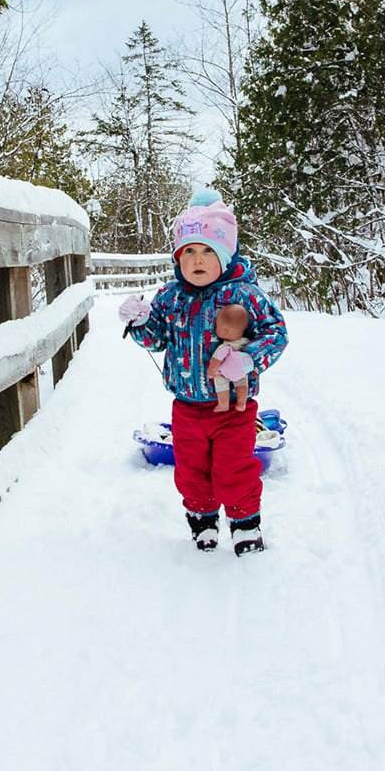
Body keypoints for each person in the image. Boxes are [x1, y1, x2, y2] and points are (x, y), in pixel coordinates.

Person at [118, 190, 288, 556]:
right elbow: (156, 339)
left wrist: (251, 357)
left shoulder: (246, 296)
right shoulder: (169, 297)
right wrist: (139, 322)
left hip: (234, 410)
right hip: (186, 407)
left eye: (208, 250)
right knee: (192, 472)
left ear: (225, 255)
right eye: (189, 252)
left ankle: (244, 524)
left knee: (233, 469)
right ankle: (203, 520)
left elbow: (277, 333)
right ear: (178, 258)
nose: (197, 259)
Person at [207, 302, 251, 412]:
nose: (215, 328)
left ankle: (223, 404)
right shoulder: (246, 342)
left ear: (225, 331)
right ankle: (241, 403)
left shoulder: (225, 346)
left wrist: (211, 372)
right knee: (242, 382)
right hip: (241, 371)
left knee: (220, 381)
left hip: (226, 372)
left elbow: (217, 360)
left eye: (217, 326)